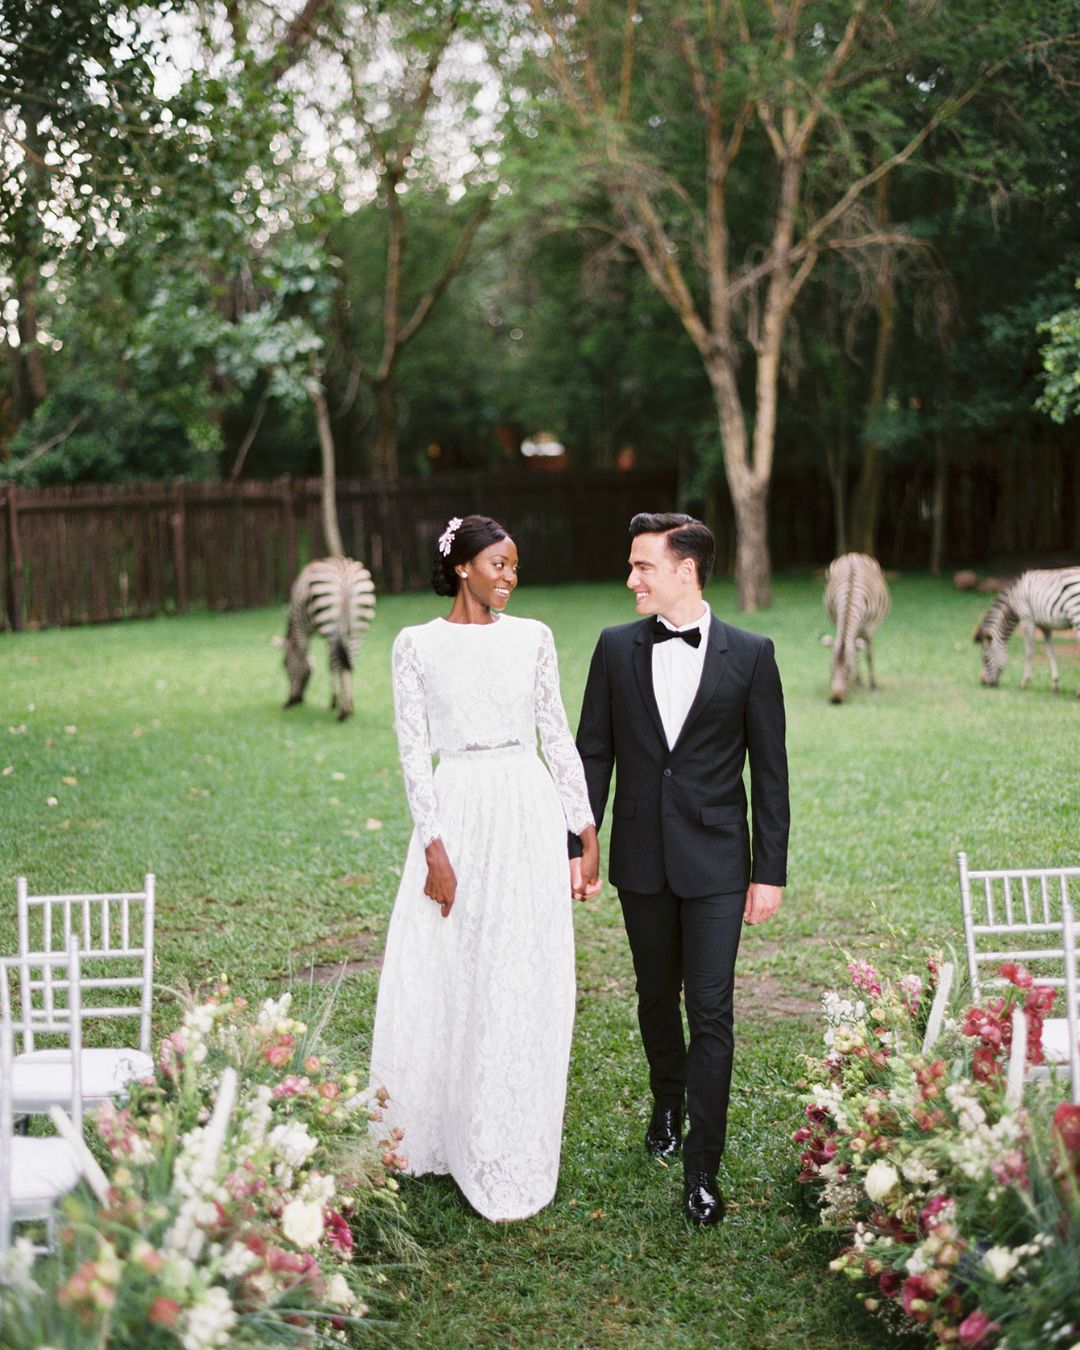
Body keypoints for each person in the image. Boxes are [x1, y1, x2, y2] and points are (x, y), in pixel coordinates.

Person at [368, 514, 600, 1222]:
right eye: (499, 563)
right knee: (448, 961)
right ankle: (437, 1129)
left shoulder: (534, 638)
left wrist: (584, 825)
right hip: (459, 806)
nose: (510, 576)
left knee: (518, 965)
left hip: (525, 806)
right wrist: (434, 845)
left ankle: (508, 1128)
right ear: (463, 566)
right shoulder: (416, 646)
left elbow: (556, 732)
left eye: (515, 567)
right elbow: (413, 750)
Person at [570, 512, 789, 1225]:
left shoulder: (752, 654)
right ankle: (667, 1098)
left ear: (685, 571)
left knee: (713, 1010)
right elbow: (593, 751)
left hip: (720, 859)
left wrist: (770, 871)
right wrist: (582, 837)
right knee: (655, 996)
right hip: (640, 856)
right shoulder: (613, 647)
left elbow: (772, 775)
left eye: (643, 567)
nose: (631, 578)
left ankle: (702, 1167)